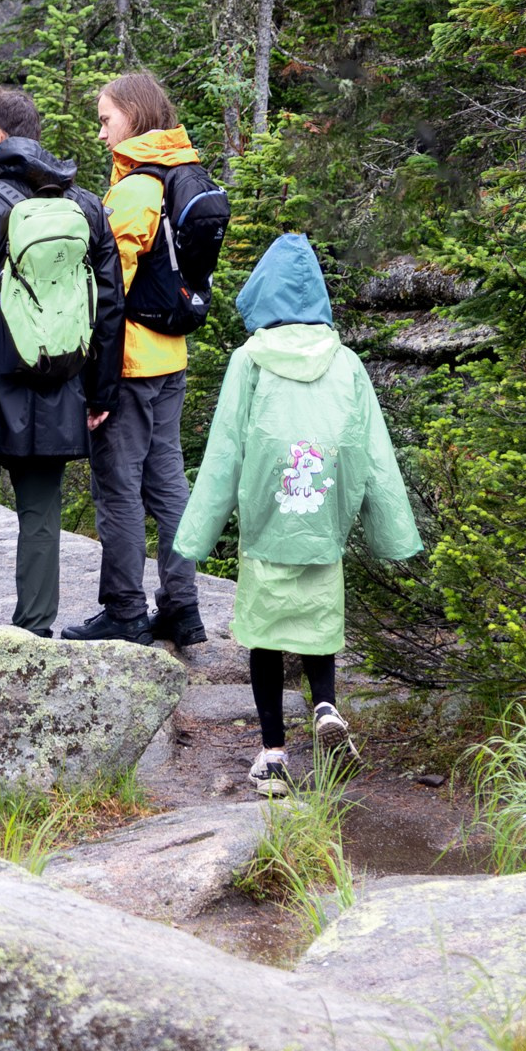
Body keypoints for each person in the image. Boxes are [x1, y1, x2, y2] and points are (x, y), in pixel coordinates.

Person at [172, 230, 422, 795]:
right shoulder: (348, 362)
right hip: (324, 519)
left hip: (268, 520)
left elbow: (225, 450)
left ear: (262, 295)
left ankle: (274, 757)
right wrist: (391, 533)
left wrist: (194, 538)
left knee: (264, 637)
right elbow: (374, 453)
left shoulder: (249, 360)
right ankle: (327, 708)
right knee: (317, 625)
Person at [0, 85, 125, 637]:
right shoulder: (85, 206)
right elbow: (109, 307)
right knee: (42, 511)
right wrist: (100, 393)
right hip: (60, 387)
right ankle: (35, 630)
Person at [64, 68, 209, 651]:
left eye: (106, 119)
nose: (101, 134)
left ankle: (125, 610)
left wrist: (94, 384)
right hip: (170, 356)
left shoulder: (135, 190)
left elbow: (106, 296)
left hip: (129, 366)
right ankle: (183, 608)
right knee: (169, 485)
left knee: (118, 488)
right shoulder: (181, 172)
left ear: (135, 115)